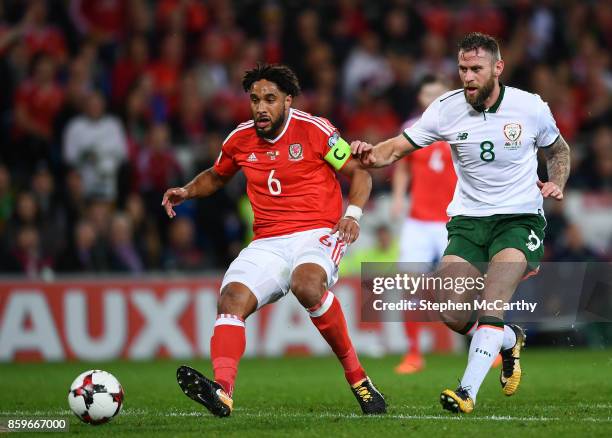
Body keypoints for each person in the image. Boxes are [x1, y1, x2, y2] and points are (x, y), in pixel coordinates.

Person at [350, 33, 570, 413]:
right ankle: (506, 340)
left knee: (493, 299)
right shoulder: (445, 109)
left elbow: (558, 149)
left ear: (497, 68)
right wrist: (369, 154)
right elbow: (397, 148)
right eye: (463, 69)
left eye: (476, 69)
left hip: (518, 219)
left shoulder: (530, 107)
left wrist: (557, 181)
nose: (467, 77)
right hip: (468, 222)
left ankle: (466, 391)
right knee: (451, 311)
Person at [162, 63, 386, 417]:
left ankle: (358, 377)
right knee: (231, 300)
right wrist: (186, 191)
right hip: (267, 241)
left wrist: (352, 214)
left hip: (318, 232)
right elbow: (217, 175)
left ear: (287, 101)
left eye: (269, 99)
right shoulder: (239, 138)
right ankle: (222, 390)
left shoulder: (315, 130)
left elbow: (359, 172)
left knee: (307, 285)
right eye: (254, 100)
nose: (260, 108)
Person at [391, 74, 456, 375]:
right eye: (427, 92)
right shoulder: (411, 129)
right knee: (409, 287)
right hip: (417, 220)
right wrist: (398, 198)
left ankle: (489, 344)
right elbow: (403, 167)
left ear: (447, 96)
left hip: (452, 220)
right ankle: (414, 353)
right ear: (420, 98)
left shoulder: (461, 126)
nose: (431, 98)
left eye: (437, 93)